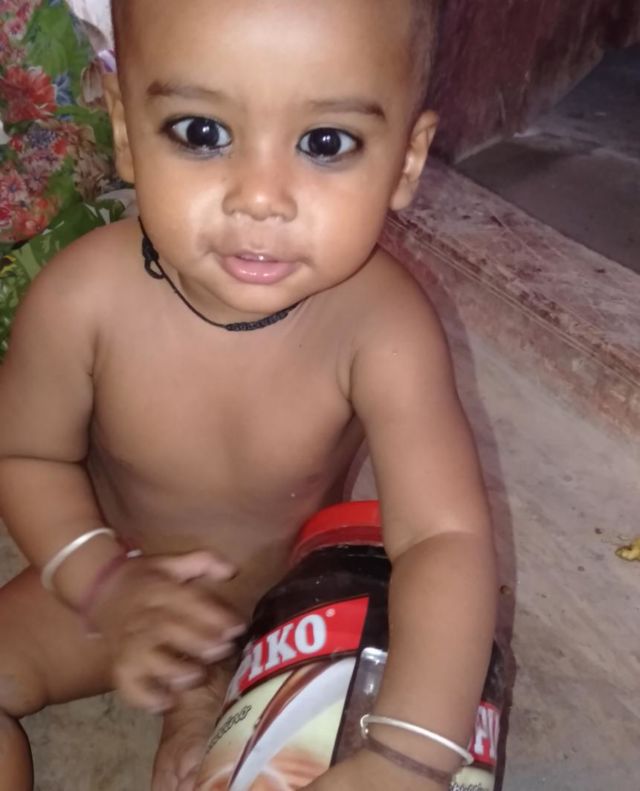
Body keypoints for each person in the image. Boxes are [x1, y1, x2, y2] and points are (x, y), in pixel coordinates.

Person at [0, 0, 498, 789]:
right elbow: (25, 456)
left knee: (437, 658)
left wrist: (410, 755)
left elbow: (444, 537)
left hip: (299, 612)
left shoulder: (383, 327)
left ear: (406, 160)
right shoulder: (79, 301)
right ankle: (191, 689)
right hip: (124, 584)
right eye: (202, 132)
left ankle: (216, 701)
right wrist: (102, 580)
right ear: (125, 128)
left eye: (325, 143)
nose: (261, 197)